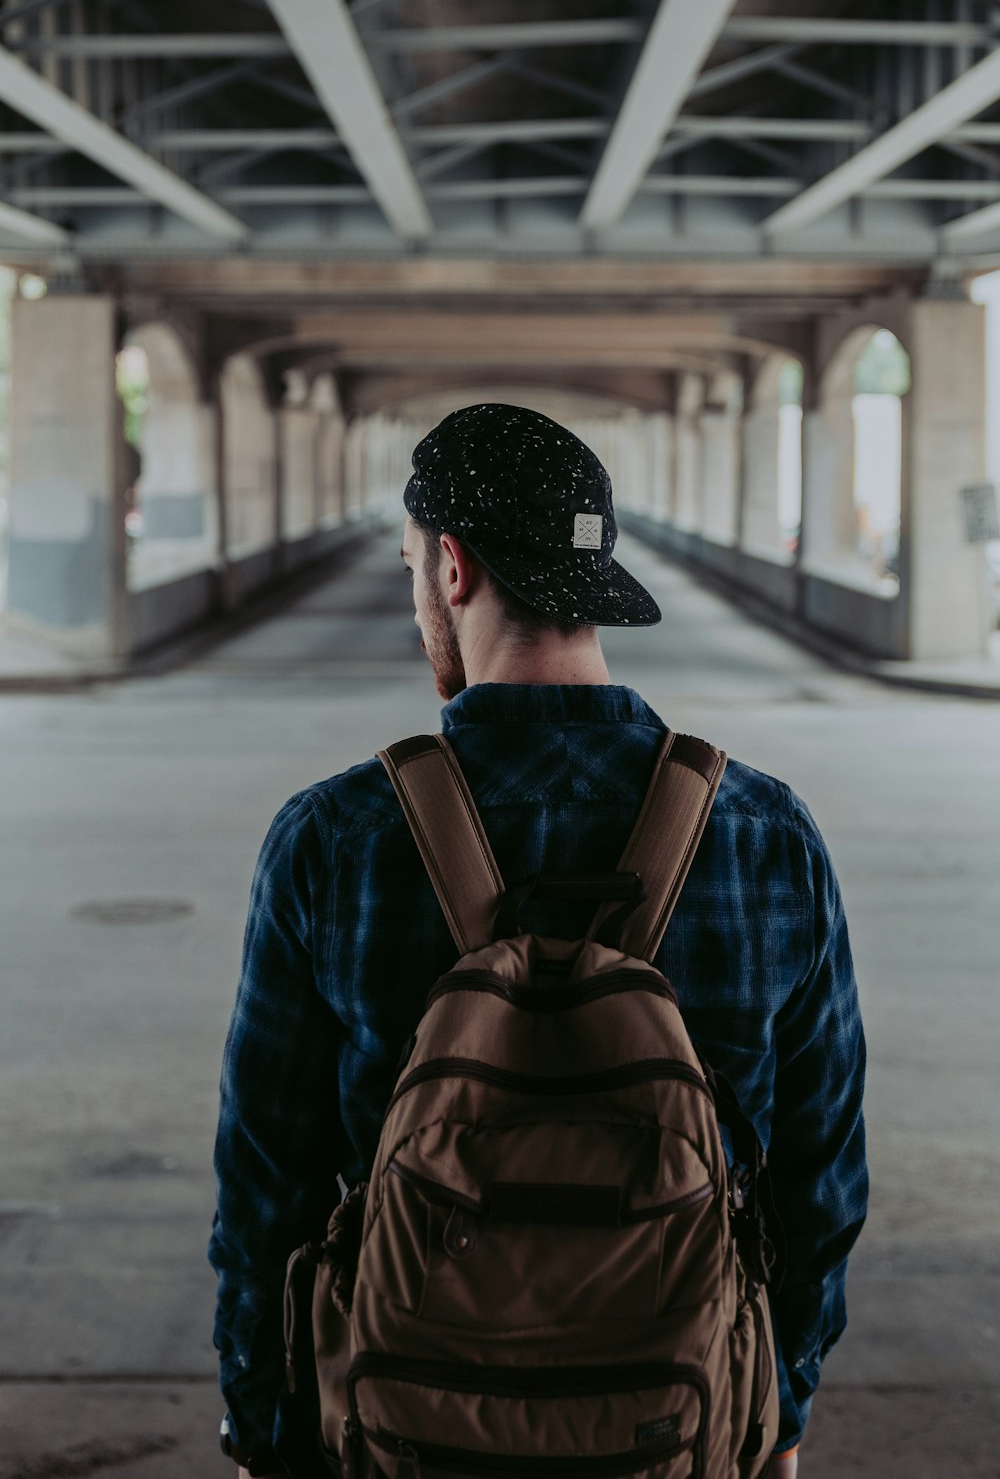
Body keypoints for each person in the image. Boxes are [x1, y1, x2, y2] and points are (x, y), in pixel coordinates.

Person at [210, 403, 868, 1479]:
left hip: (403, 1424)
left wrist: (263, 1424)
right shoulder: (764, 835)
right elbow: (818, 1179)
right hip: (677, 1424)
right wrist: (776, 1408)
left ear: (452, 569)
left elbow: (264, 1186)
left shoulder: (334, 839)